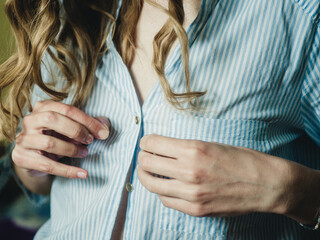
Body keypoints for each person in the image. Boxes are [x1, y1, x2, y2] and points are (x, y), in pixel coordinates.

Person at [1, 0, 320, 239]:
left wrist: (289, 189)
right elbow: (40, 184)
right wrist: (32, 163)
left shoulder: (301, 20)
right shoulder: (66, 15)